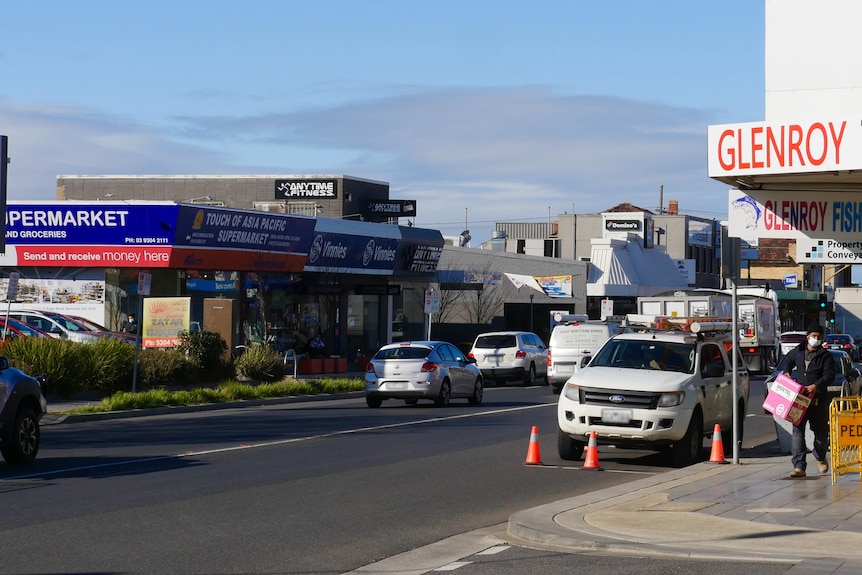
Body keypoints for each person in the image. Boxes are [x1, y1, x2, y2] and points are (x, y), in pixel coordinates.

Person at [784, 322, 835, 478]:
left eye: (819, 336)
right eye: (814, 336)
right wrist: (786, 372)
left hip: (817, 399)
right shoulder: (798, 352)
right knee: (797, 432)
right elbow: (786, 361)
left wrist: (817, 386)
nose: (816, 339)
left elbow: (829, 375)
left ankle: (820, 455)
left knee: (820, 434)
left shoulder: (825, 356)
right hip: (799, 398)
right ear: (808, 337)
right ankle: (799, 466)